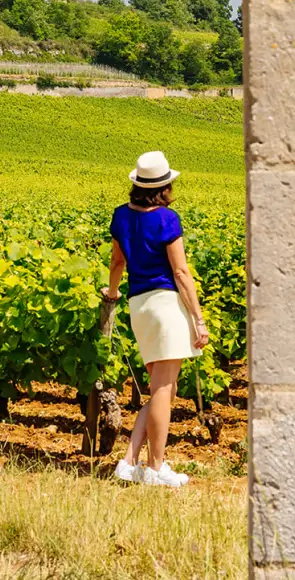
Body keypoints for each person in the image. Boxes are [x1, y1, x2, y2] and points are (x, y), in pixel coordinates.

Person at [102, 150, 209, 487]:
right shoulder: (166, 219)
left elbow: (117, 263)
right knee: (164, 388)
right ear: (164, 186)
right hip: (165, 306)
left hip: (139, 306)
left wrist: (113, 293)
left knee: (162, 388)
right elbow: (180, 272)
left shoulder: (121, 216)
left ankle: (129, 462)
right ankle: (156, 467)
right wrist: (199, 319)